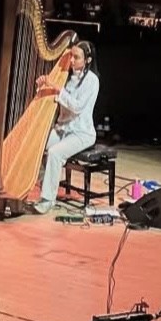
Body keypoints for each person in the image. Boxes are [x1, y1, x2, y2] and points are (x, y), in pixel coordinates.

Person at [32, 42, 99, 214]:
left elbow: (76, 107)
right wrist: (43, 86)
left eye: (77, 57)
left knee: (54, 153)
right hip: (63, 128)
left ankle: (47, 200)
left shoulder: (92, 81)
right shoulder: (65, 77)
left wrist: (56, 88)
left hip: (82, 133)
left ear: (87, 60)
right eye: (71, 56)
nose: (72, 60)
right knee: (37, 145)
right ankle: (41, 185)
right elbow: (54, 100)